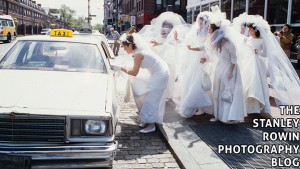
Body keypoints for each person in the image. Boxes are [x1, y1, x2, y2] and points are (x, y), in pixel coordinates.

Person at [112, 34, 170, 133]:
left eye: (124, 47)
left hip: (161, 75)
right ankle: (148, 121)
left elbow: (134, 72)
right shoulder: (138, 52)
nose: (124, 50)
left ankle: (151, 125)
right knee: (147, 96)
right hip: (158, 73)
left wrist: (120, 68)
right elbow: (134, 69)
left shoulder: (138, 55)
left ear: (130, 45)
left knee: (151, 99)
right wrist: (122, 67)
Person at [206, 22, 246, 123]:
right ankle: (217, 115)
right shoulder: (215, 42)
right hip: (220, 67)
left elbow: (234, 59)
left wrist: (230, 72)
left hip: (230, 68)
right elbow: (213, 56)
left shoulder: (229, 43)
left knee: (227, 92)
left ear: (217, 31)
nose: (209, 31)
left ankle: (227, 116)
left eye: (210, 29)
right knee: (217, 90)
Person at [177, 12, 213, 118]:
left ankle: (202, 105)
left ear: (206, 23)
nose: (200, 24)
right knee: (193, 80)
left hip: (203, 57)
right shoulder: (197, 31)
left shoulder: (208, 32)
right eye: (199, 22)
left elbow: (205, 46)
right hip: (195, 58)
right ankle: (197, 104)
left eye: (201, 23)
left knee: (201, 81)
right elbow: (191, 42)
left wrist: (193, 49)